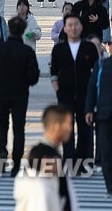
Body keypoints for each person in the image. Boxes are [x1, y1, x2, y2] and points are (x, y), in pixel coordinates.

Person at [0, 16, 40, 176]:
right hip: (20, 94)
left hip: (0, 93)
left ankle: (1, 150)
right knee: (18, 128)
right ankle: (16, 162)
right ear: (22, 31)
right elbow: (34, 76)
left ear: (9, 30)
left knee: (1, 125)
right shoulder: (27, 51)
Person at [50, 14, 99, 174]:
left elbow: (96, 72)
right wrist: (59, 92)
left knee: (85, 129)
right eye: (70, 25)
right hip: (65, 95)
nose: (73, 28)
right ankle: (69, 163)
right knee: (67, 129)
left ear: (81, 27)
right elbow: (53, 73)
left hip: (85, 95)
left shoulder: (89, 48)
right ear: (65, 28)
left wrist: (93, 94)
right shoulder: (59, 49)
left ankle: (85, 162)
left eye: (76, 24)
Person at [16, 104, 79, 211]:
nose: (70, 128)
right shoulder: (45, 156)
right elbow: (40, 195)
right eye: (68, 124)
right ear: (55, 126)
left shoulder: (50, 152)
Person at [85, 35, 112, 197]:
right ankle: (110, 186)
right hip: (104, 115)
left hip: (104, 113)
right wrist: (89, 109)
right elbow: (92, 88)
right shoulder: (102, 64)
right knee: (106, 152)